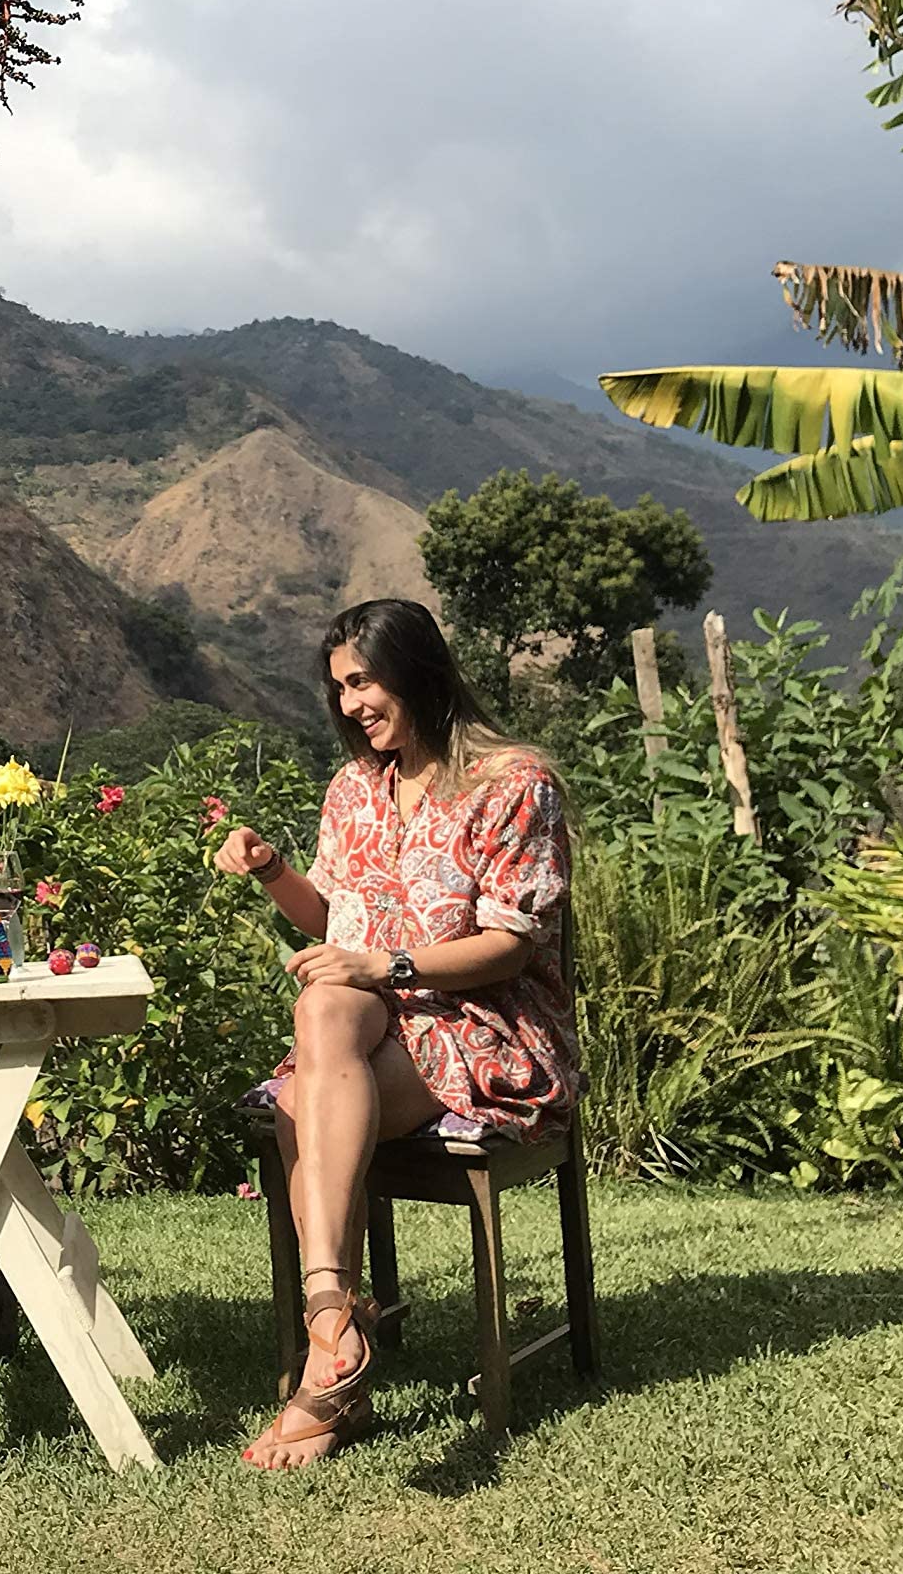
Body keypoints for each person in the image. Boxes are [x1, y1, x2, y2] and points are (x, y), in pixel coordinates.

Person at [212, 598, 577, 1471]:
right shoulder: (354, 789)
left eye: (364, 682)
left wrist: (388, 966)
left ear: (416, 670)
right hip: (372, 1024)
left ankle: (329, 1363)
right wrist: (272, 871)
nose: (350, 705)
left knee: (304, 1100)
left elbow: (510, 946)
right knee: (322, 1007)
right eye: (340, 688)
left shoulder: (514, 782)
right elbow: (332, 922)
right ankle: (335, 1320)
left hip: (484, 1024)